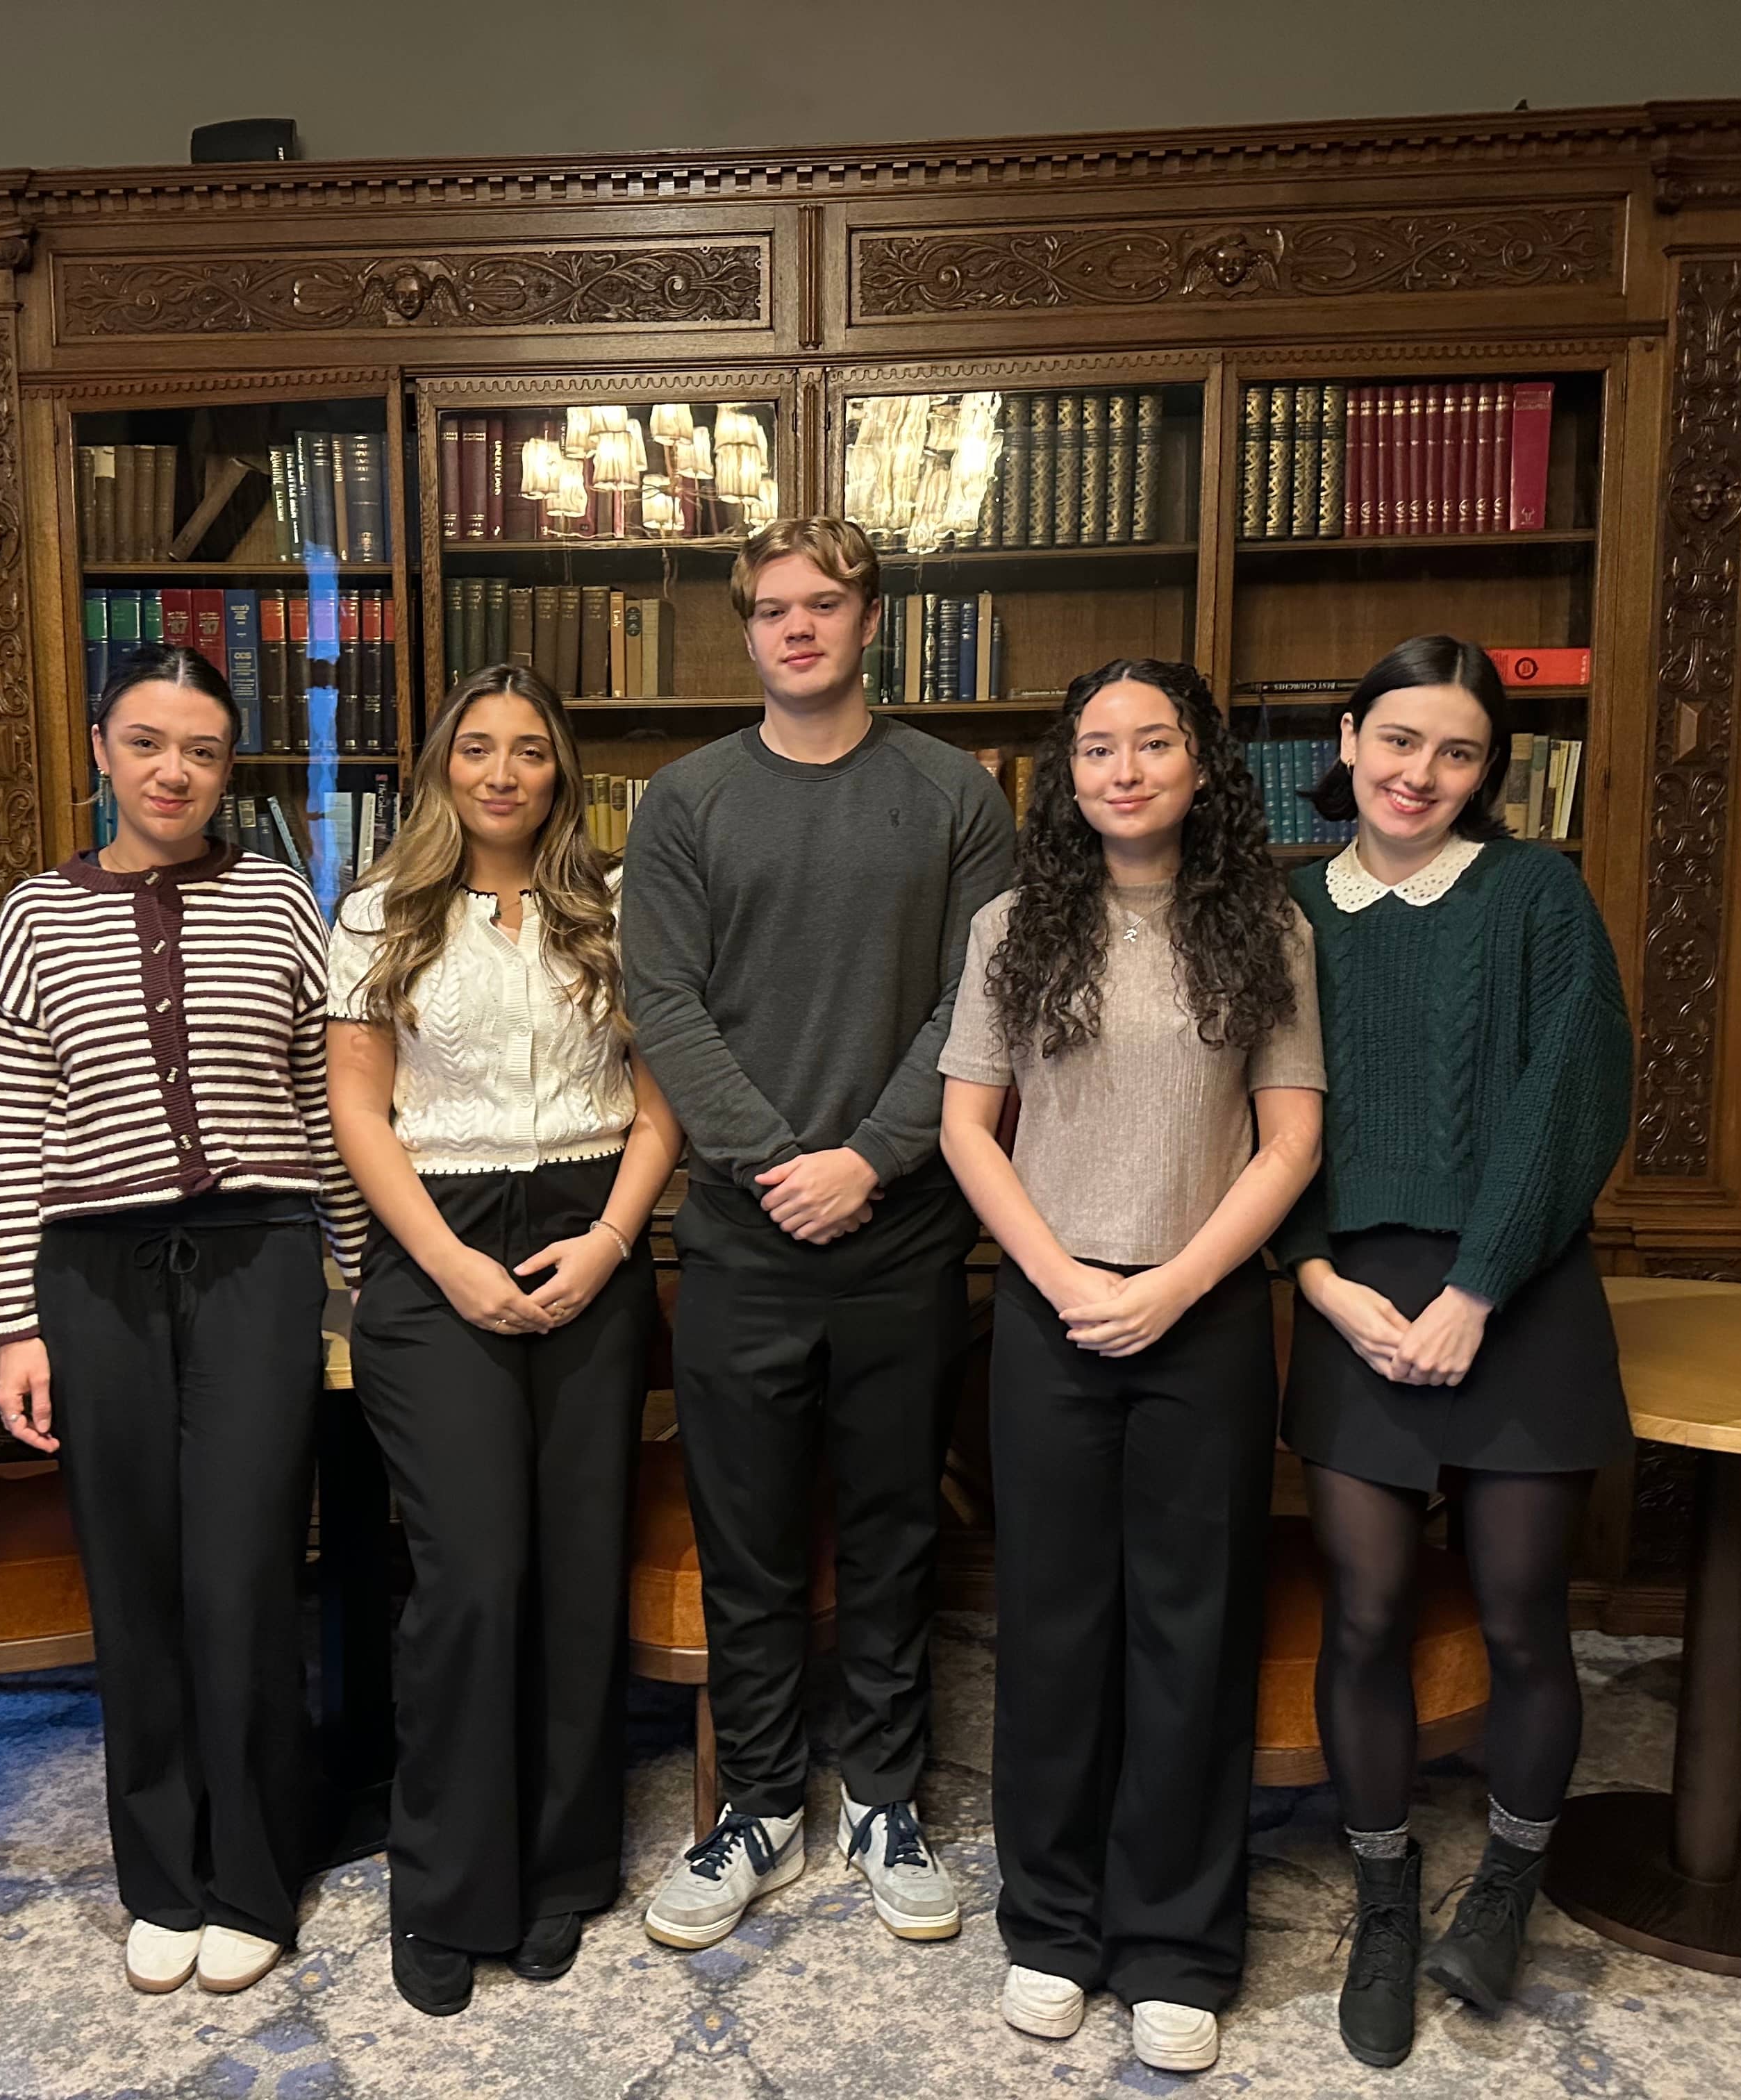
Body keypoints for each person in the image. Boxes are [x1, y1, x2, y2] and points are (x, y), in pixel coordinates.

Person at [621, 515, 1016, 1952]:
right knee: (751, 1539)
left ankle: (887, 1800)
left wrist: (866, 1161)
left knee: (900, 1531)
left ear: (870, 621)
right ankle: (759, 1805)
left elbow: (979, 1003)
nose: (797, 628)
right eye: (772, 609)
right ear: (748, 631)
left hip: (903, 1234)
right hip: (739, 1235)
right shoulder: (686, 802)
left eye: (824, 605)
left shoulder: (956, 794)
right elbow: (663, 1003)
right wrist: (784, 1163)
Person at [938, 659, 1323, 2073]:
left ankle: (1177, 1945)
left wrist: (1171, 1285)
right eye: (1097, 748)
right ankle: (1051, 1925)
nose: (1125, 769)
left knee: (1191, 1632)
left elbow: (1289, 1141)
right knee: (1053, 1628)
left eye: (1153, 743)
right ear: (1070, 774)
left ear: (1202, 765)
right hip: (1050, 1315)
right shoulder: (1012, 926)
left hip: (1202, 1316)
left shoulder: (1267, 927)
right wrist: (1061, 1281)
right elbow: (969, 1127)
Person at [0, 642, 366, 2000]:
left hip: (259, 1263)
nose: (173, 772)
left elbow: (323, 1099)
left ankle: (252, 1874)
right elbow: (15, 1126)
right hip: (94, 1277)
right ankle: (161, 1874)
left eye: (201, 751)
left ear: (228, 767)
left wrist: (361, 1269)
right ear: (102, 749)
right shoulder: (35, 917)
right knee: (133, 1574)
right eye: (147, 743)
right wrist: (14, 1324)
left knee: (248, 1571)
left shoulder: (277, 900)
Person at [1273, 635, 1633, 2070]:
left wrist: (1479, 1286)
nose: (1421, 773)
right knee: (1364, 1614)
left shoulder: (1538, 894)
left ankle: (1506, 1888)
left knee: (1525, 1615)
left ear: (1489, 772)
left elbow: (1574, 1092)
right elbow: (1260, 1115)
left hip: (1520, 1293)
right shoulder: (1293, 911)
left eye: (1459, 751)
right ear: (1349, 740)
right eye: (1400, 739)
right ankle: (1382, 1897)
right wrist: (1316, 1278)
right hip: (1352, 1299)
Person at [324, 665, 682, 2017]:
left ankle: (560, 1870)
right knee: (473, 1576)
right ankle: (448, 1886)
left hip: (595, 1229)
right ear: (441, 768)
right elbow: (360, 1112)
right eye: (476, 748)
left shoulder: (622, 909)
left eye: (530, 751)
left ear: (560, 774)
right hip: (437, 1247)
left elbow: (663, 1103)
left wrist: (612, 1242)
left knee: (577, 1571)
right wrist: (450, 1262)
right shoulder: (379, 914)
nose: (502, 773)